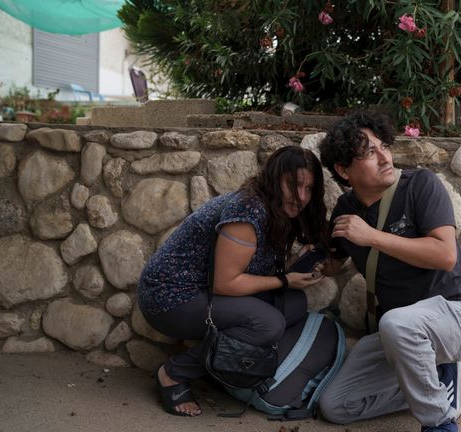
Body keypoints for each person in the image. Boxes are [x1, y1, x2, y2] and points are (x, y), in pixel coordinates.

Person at [316, 111, 461, 432]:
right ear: (343, 170)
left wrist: (372, 237)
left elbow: (446, 255)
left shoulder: (420, 185)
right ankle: (438, 381)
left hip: (459, 314)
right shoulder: (346, 210)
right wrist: (314, 265)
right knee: (336, 405)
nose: (384, 157)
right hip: (402, 334)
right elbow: (334, 261)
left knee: (395, 322)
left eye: (384, 146)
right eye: (369, 152)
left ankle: (440, 422)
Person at [137, 146, 329, 416]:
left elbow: (250, 268)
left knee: (294, 304)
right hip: (171, 298)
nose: (301, 197)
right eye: (293, 185)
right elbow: (225, 284)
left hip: (205, 292)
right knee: (269, 324)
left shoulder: (274, 209)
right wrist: (284, 280)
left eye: (309, 189)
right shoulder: (248, 210)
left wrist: (294, 264)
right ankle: (174, 372)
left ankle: (225, 363)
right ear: (275, 178)